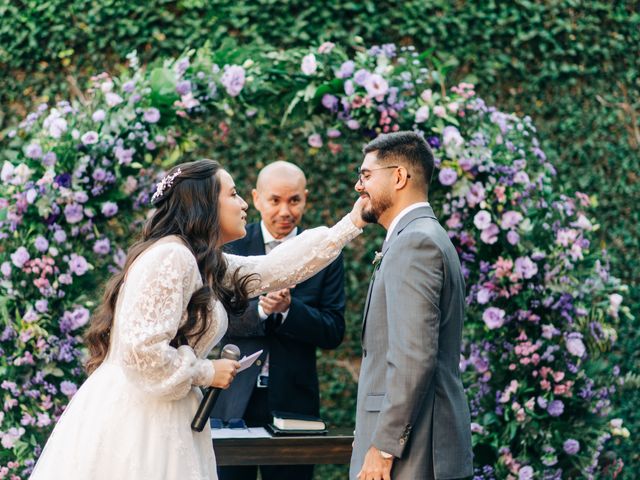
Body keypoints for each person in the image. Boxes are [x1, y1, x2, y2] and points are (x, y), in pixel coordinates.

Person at [29, 159, 365, 480]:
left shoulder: (199, 260)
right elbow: (143, 354)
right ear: (204, 203)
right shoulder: (171, 257)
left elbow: (272, 269)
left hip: (168, 411)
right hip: (142, 420)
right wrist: (208, 371)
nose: (243, 204)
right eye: (233, 194)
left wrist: (352, 223)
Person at [350, 132, 473, 480]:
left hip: (414, 456)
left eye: (366, 175)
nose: (359, 187)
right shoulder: (423, 236)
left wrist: (383, 447)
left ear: (399, 176)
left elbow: (413, 356)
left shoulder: (415, 243)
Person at [212, 161, 345, 480]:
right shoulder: (230, 246)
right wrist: (261, 311)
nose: (285, 210)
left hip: (294, 403)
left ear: (305, 199)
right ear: (256, 199)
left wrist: (288, 310)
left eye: (294, 200)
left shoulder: (324, 254)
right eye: (275, 200)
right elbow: (214, 320)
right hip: (233, 398)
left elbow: (333, 330)